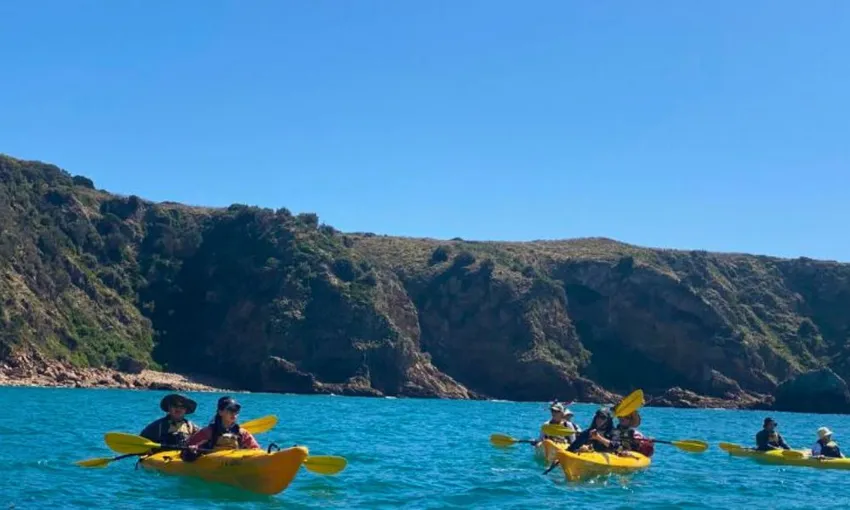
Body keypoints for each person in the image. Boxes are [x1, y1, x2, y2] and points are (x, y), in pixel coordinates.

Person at [185, 396, 261, 453]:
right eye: (230, 410)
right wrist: (192, 450)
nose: (234, 413)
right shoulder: (207, 432)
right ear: (220, 412)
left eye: (236, 411)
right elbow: (186, 451)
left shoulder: (242, 433)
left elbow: (256, 450)